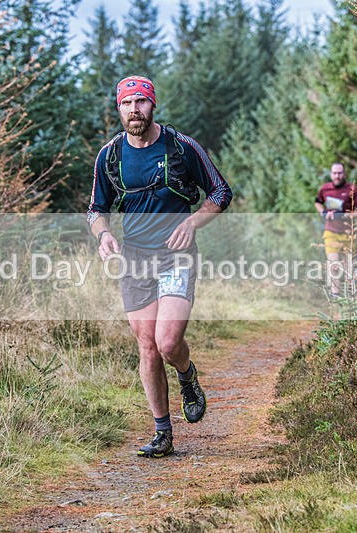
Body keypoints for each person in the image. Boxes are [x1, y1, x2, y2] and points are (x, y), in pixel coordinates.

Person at [86, 75, 233, 458]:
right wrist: (103, 236)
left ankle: (187, 376)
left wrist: (192, 222)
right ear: (118, 109)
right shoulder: (110, 155)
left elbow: (220, 191)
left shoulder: (182, 147)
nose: (134, 110)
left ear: (153, 105)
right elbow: (95, 210)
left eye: (141, 102)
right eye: (126, 103)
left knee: (168, 342)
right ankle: (163, 433)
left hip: (175, 256)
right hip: (134, 259)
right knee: (147, 347)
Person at [314, 163, 357, 298]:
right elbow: (317, 202)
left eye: (340, 173)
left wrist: (344, 215)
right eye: (334, 173)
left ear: (344, 174)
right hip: (331, 232)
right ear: (331, 174)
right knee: (334, 264)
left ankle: (351, 296)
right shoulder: (325, 189)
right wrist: (324, 213)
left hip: (348, 233)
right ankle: (335, 295)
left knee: (349, 266)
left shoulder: (352, 190)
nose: (337, 176)